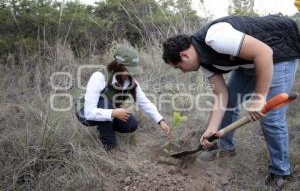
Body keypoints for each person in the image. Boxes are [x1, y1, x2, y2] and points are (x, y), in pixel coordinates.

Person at [162, 15, 300, 189]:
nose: (181, 72)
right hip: (248, 64)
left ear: (184, 55)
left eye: (178, 66)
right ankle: (225, 147)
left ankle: (281, 172)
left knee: (271, 117)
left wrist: (259, 98)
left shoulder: (216, 38)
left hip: (277, 56)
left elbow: (264, 52)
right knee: (230, 101)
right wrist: (212, 128)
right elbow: (221, 94)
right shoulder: (203, 64)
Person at [77, 45, 171, 151]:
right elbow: (89, 112)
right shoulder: (99, 77)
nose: (131, 73)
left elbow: (145, 103)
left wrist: (161, 121)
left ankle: (105, 128)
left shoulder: (131, 82)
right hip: (85, 114)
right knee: (105, 104)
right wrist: (113, 113)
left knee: (131, 124)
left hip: (108, 110)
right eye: (128, 69)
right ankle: (111, 147)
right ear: (118, 65)